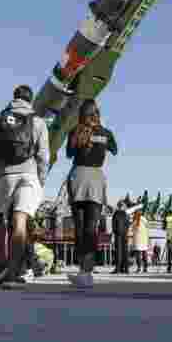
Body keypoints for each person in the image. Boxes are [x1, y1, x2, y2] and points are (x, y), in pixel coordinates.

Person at [0, 85, 47, 288]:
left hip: (4, 176)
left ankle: (0, 265)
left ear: (14, 98)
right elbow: (44, 155)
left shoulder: (0, 119)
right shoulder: (37, 121)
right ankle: (13, 272)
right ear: (31, 100)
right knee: (20, 222)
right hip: (28, 175)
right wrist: (40, 178)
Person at [64, 98, 117, 288]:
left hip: (78, 176)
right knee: (91, 227)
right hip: (96, 177)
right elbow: (115, 149)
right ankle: (88, 270)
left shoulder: (75, 131)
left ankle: (82, 270)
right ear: (97, 114)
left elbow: (69, 154)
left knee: (79, 226)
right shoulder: (105, 133)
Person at [111, 201, 131, 274]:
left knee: (118, 251)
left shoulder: (116, 214)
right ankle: (126, 269)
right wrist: (126, 232)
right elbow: (128, 225)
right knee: (125, 251)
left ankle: (118, 268)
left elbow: (113, 225)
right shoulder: (126, 214)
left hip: (118, 235)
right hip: (125, 234)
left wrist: (115, 233)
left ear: (118, 206)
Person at [131, 207, 150, 273]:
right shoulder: (144, 220)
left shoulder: (135, 220)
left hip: (137, 239)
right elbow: (148, 229)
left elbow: (132, 230)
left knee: (138, 254)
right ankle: (145, 268)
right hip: (144, 239)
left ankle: (139, 268)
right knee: (144, 254)